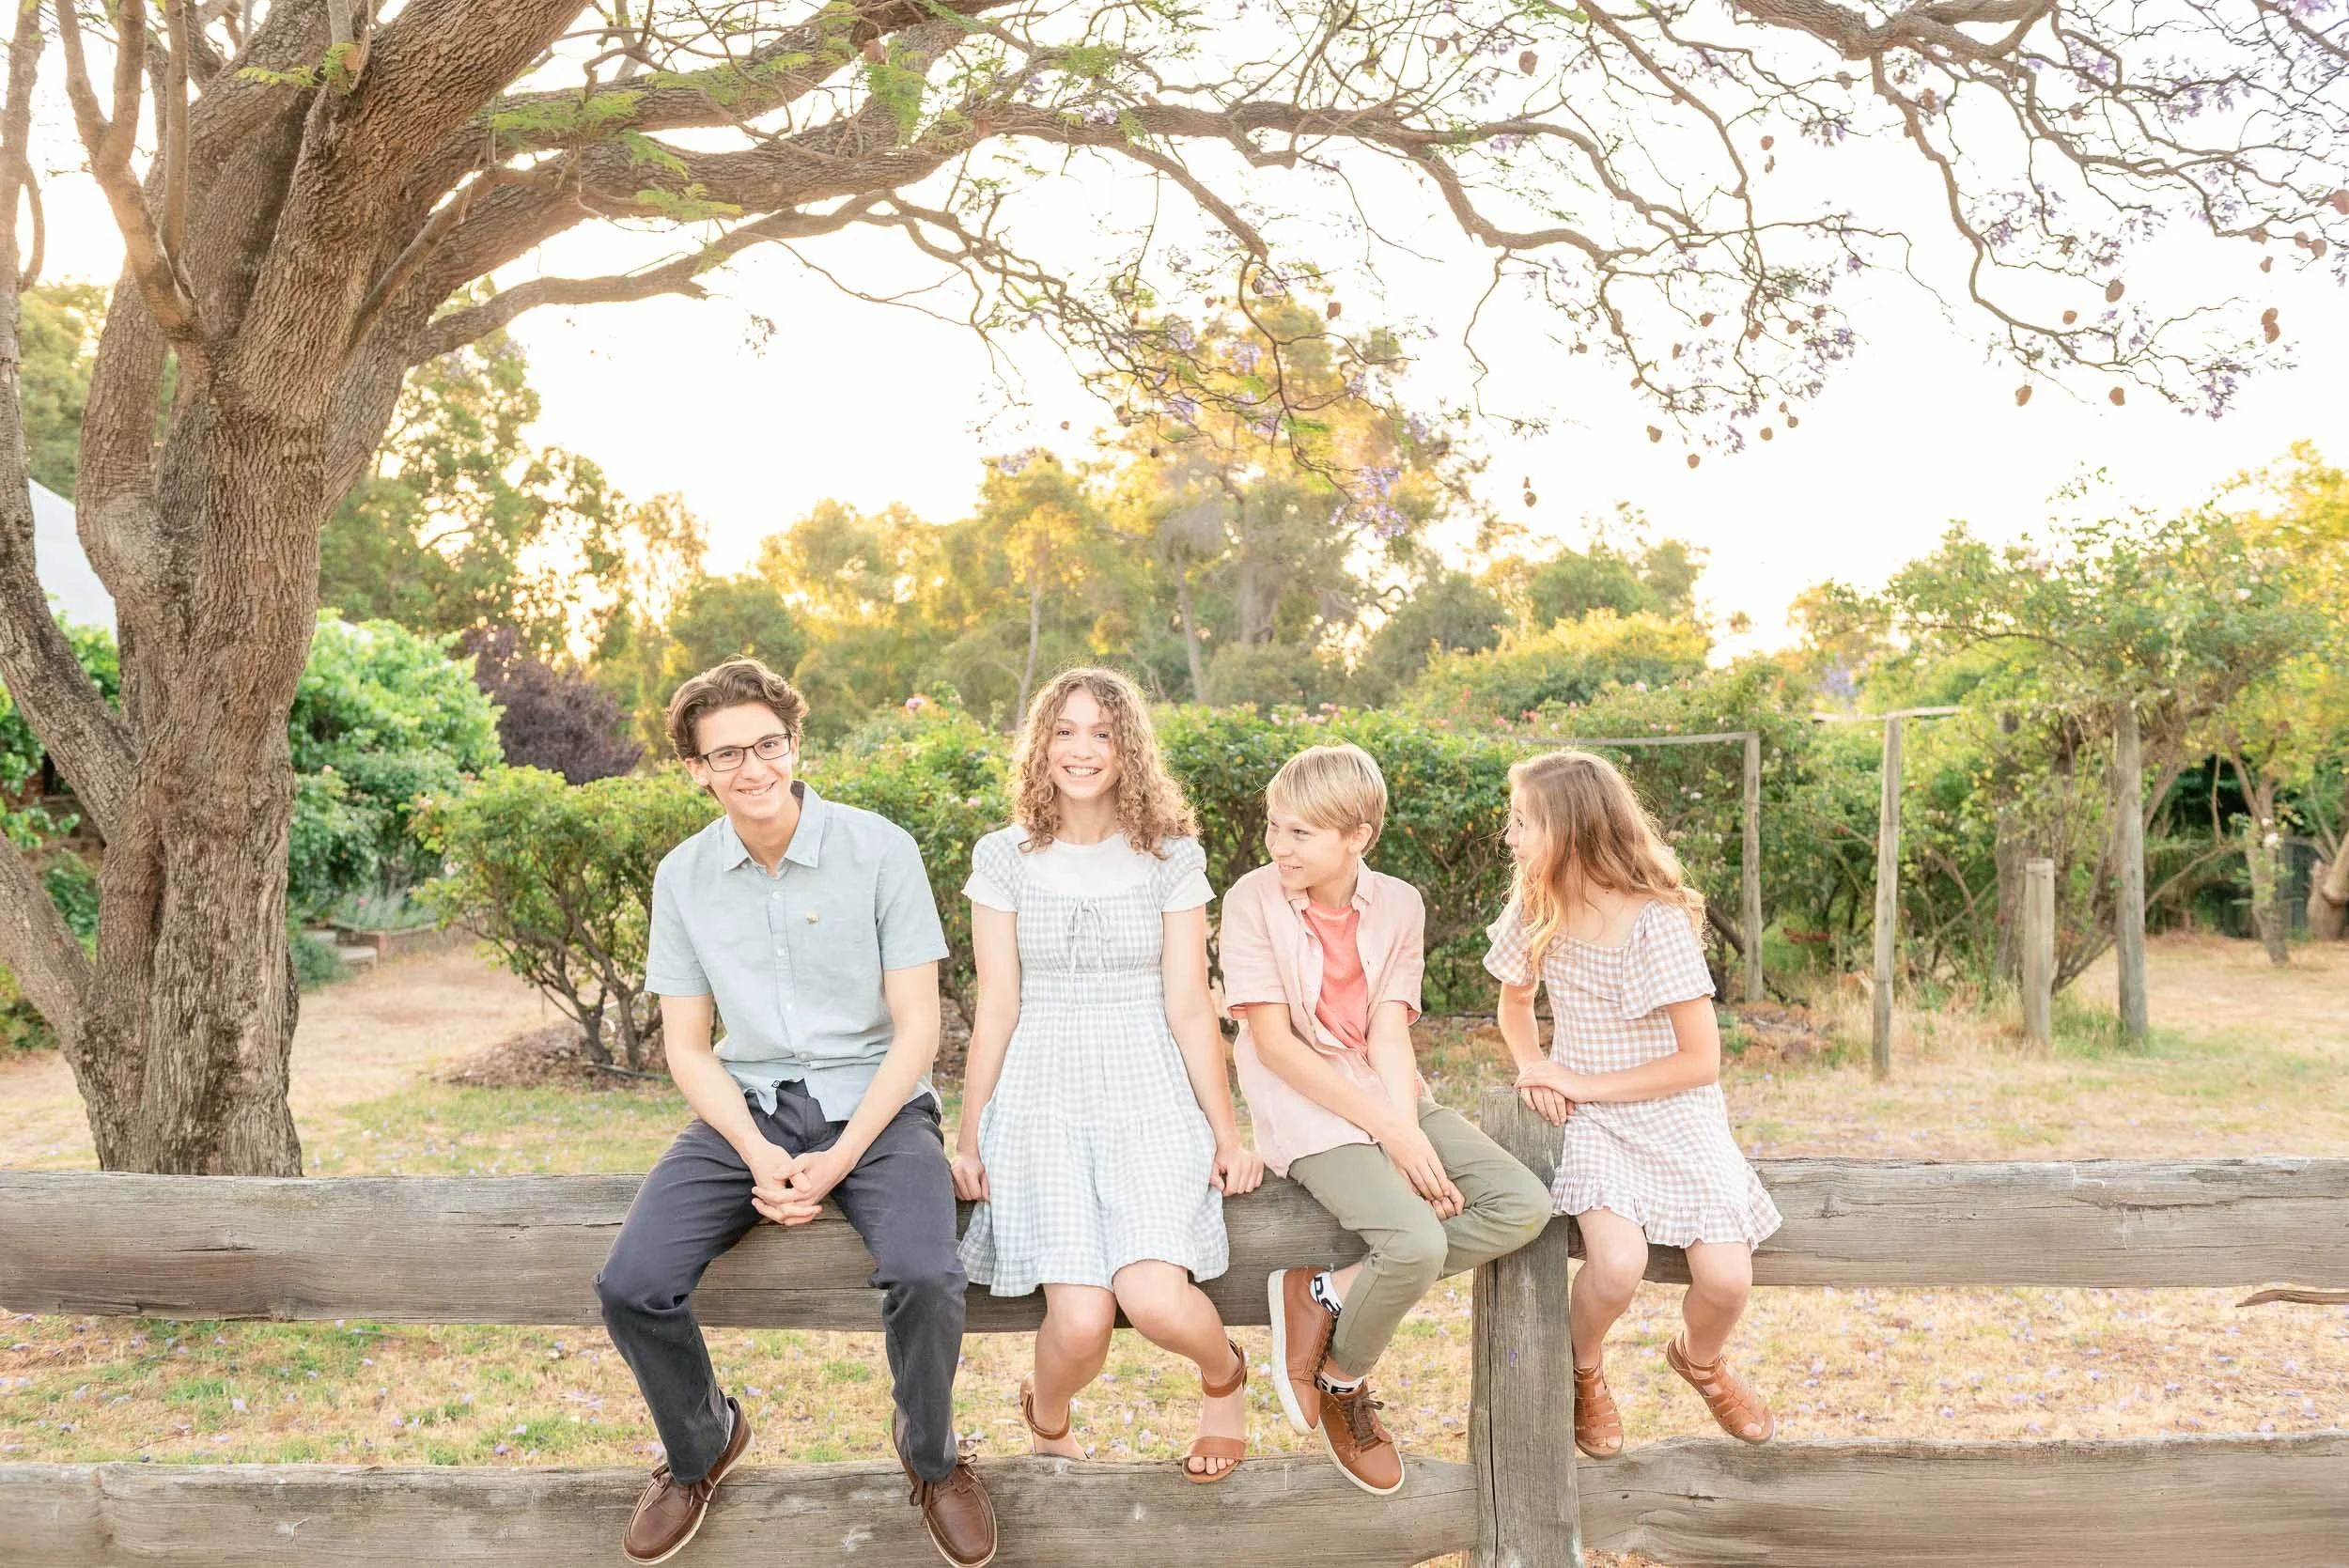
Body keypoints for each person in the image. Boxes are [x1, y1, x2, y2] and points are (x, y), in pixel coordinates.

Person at [593, 659, 996, 1567]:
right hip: (750, 1106)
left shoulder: (880, 848)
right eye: (726, 753)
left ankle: (930, 1455)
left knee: (927, 1274)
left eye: (766, 744)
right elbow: (689, 1046)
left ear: (794, 744)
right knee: (631, 1283)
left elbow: (918, 1028)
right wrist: (754, 1146)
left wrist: (844, 1154)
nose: (752, 767)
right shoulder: (683, 877)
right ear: (697, 769)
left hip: (878, 1106)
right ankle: (702, 1444)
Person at [950, 667, 1265, 1483]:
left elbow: (1192, 1008)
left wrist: (1229, 1134)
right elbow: (997, 1007)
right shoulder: (1004, 857)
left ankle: (1225, 1377)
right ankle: (1047, 1415)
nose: (1081, 749)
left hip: (1148, 1090)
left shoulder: (1170, 858)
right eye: (1064, 731)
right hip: (1041, 1097)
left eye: (1101, 732)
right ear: (1040, 745)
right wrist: (970, 1132)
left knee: (1156, 1297)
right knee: (1083, 1319)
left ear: (1129, 749)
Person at [1222, 742, 1550, 1494]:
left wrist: (1403, 1126)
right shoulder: (1252, 899)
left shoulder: (1400, 902)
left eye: (1299, 833)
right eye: (1275, 827)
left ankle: (1327, 1300)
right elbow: (1273, 1044)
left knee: (1523, 1203)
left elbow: (1389, 1030)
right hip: (1302, 1102)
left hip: (1384, 1084)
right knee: (1413, 1240)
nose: (1279, 847)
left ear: (1357, 836)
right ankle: (1349, 1388)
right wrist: (1389, 1133)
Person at [1483, 749, 1781, 1462]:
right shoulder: (1536, 904)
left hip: (1676, 1112)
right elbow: (1514, 1004)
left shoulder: (1656, 923)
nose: (1510, 837)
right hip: (1596, 1123)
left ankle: (1699, 1361)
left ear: (1573, 828)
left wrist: (1582, 1081)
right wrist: (1537, 1068)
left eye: (1523, 822)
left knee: (1727, 1276)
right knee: (1616, 1264)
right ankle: (1583, 1368)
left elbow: (1699, 1061)